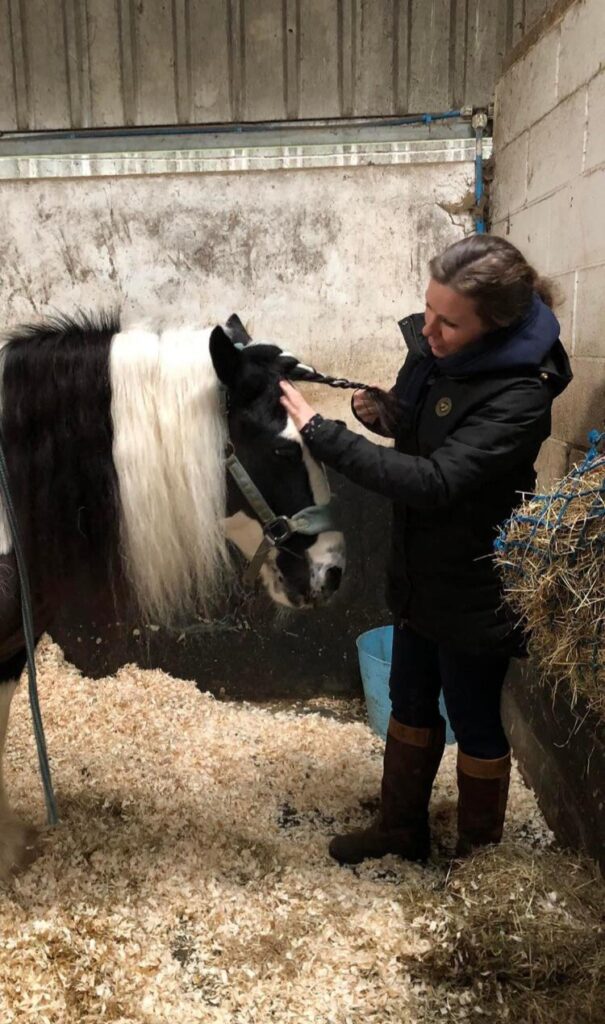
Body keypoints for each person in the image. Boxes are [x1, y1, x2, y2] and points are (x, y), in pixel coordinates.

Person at [280, 234, 572, 863]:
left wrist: (324, 434)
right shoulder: (439, 350)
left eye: (449, 321)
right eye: (428, 311)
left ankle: (478, 862)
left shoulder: (523, 392)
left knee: (473, 717)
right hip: (418, 566)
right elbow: (427, 424)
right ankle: (400, 828)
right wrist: (384, 414)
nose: (430, 330)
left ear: (493, 324)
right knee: (411, 698)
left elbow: (440, 479)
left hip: (476, 580)